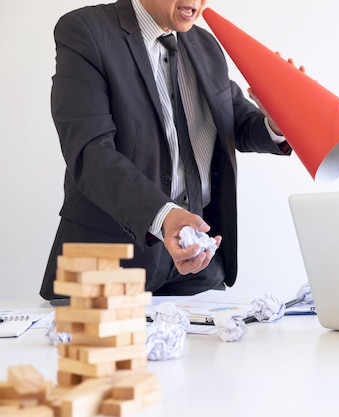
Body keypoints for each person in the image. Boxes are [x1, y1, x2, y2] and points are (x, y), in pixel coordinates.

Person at [40, 0, 292, 300]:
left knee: (220, 347)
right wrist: (164, 216)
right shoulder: (86, 31)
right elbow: (91, 153)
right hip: (106, 261)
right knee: (103, 349)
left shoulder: (205, 44)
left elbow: (235, 123)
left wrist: (277, 122)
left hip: (197, 265)